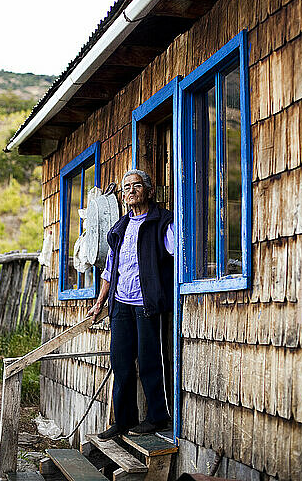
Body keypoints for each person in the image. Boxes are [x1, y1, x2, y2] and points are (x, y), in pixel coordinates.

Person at [87, 169, 174, 440]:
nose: (131, 191)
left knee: (150, 362)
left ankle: (158, 417)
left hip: (147, 304)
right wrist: (100, 302)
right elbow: (109, 270)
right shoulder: (120, 228)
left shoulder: (162, 221)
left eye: (137, 186)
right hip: (120, 305)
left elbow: (178, 254)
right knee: (121, 364)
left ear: (148, 191)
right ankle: (123, 421)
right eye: (126, 188)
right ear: (123, 196)